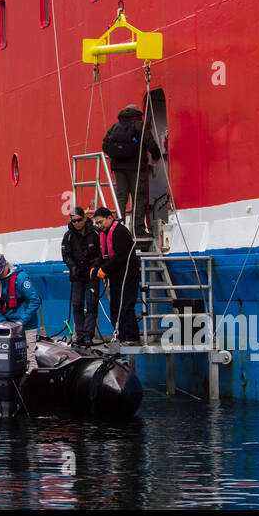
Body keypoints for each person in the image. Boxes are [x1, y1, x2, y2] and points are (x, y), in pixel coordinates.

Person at [101, 103, 163, 240]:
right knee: (138, 199)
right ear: (137, 114)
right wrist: (157, 157)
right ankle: (138, 230)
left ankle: (118, 228)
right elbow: (151, 143)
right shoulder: (140, 125)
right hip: (136, 168)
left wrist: (116, 155)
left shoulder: (115, 127)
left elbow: (105, 145)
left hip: (118, 168)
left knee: (121, 198)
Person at [91, 206, 140, 344]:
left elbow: (121, 256)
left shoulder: (121, 232)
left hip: (127, 277)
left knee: (126, 306)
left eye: (101, 222)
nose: (99, 226)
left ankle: (132, 337)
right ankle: (120, 335)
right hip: (116, 278)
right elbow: (103, 255)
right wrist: (96, 267)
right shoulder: (105, 234)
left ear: (110, 218)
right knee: (115, 308)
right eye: (97, 223)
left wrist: (104, 269)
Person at [0, 253, 42, 371]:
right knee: (4, 357)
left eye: (0, 271)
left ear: (6, 265)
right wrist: (3, 323)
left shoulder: (21, 278)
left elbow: (34, 301)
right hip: (7, 324)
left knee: (29, 357)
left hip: (26, 325)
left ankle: (33, 381)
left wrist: (22, 321)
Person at [60, 206, 101, 346]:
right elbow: (65, 254)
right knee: (77, 304)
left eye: (78, 220)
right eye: (73, 221)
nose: (76, 223)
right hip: (77, 275)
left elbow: (101, 252)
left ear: (84, 218)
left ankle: (89, 335)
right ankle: (79, 334)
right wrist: (72, 267)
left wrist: (95, 266)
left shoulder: (95, 232)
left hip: (91, 274)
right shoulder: (69, 235)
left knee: (91, 304)